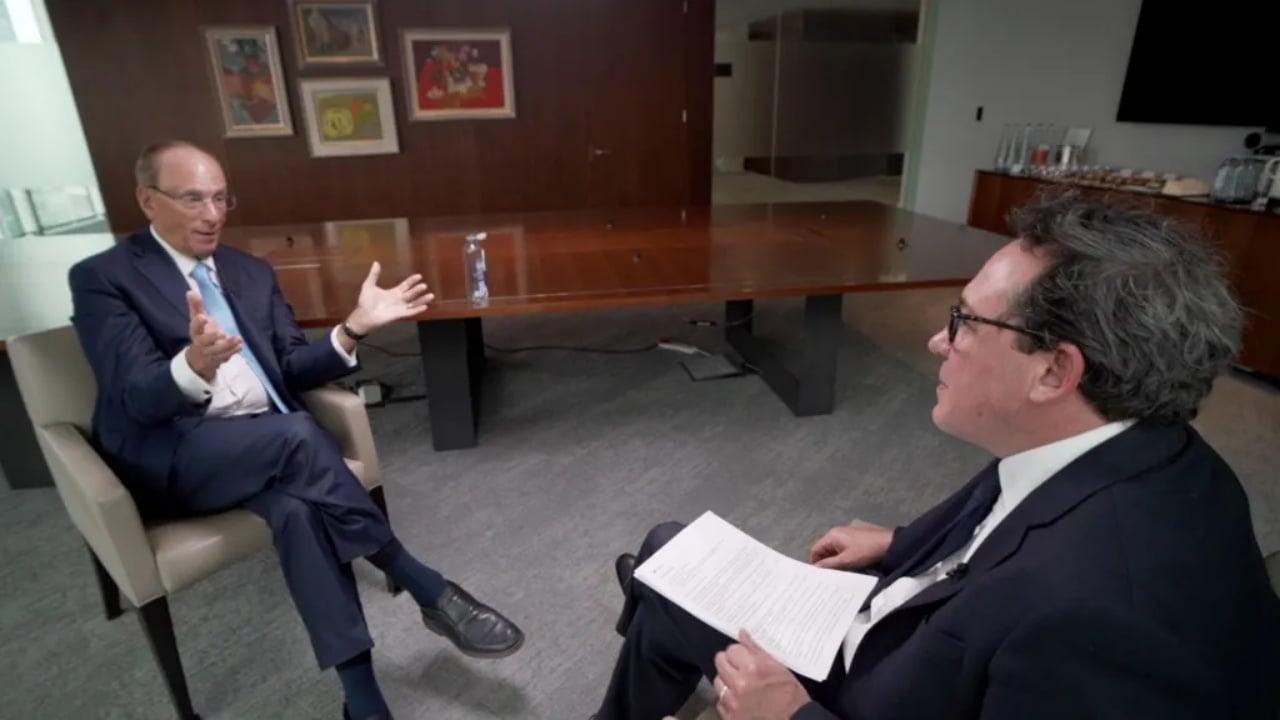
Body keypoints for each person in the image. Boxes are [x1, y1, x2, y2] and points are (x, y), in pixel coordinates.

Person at [595, 193, 1280, 720]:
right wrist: (900, 543)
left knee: (666, 577)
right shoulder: (1152, 450)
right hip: (909, 625)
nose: (936, 341)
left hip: (877, 685)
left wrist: (790, 714)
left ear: (1054, 371)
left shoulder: (1095, 621)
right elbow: (1007, 517)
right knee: (668, 555)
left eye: (966, 322)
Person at [69, 141, 524, 720]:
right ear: (148, 200)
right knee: (299, 435)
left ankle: (363, 702)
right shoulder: (103, 279)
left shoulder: (250, 271)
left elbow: (288, 366)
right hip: (176, 453)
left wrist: (353, 328)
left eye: (220, 198)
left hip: (266, 445)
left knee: (298, 512)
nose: (212, 214)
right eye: (192, 199)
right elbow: (136, 396)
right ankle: (422, 582)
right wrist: (193, 366)